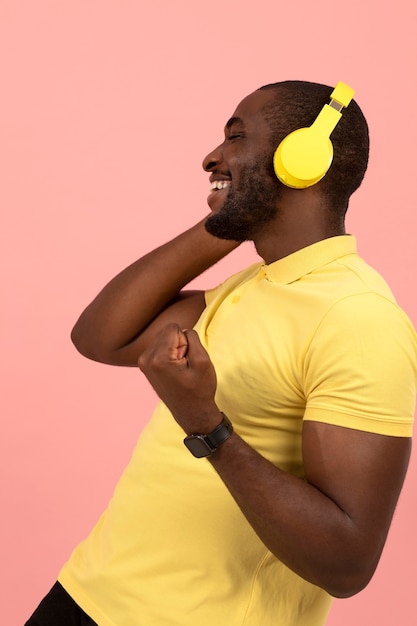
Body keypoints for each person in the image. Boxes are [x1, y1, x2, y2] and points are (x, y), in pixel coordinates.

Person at [26, 80, 417, 626]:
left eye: (236, 137)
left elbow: (347, 563)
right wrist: (238, 215)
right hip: (87, 596)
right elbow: (99, 336)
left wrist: (206, 424)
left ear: (303, 158)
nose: (212, 156)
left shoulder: (358, 317)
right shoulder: (255, 284)